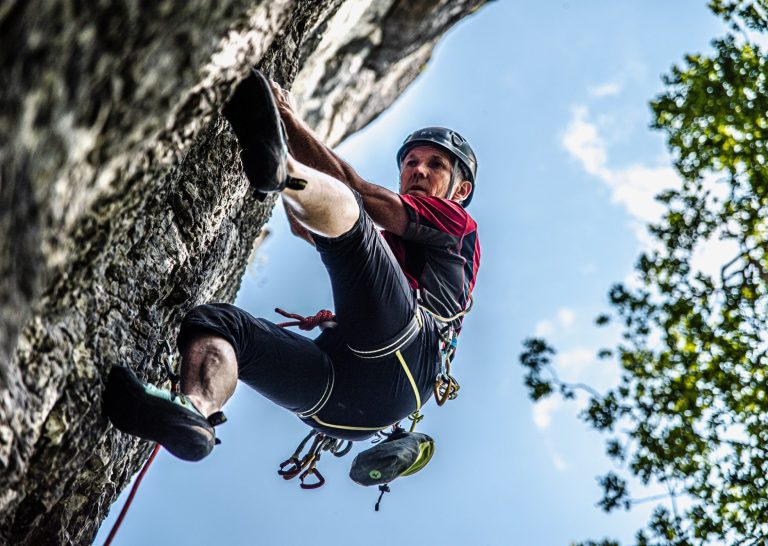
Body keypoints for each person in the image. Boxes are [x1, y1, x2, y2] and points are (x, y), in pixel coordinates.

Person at [105, 69, 481, 464]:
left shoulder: (456, 223)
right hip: (345, 409)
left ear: (460, 189)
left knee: (353, 213)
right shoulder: (392, 251)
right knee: (221, 324)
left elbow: (359, 197)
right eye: (411, 162)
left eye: (436, 164)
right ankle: (196, 412)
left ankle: (285, 169)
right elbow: (313, 228)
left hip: (406, 353)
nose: (418, 170)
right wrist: (295, 189)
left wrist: (287, 122)